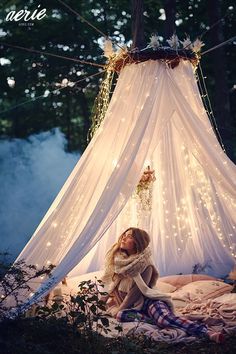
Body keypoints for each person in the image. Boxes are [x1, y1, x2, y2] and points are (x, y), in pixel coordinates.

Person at [101, 227, 224, 343]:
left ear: (138, 242)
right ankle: (154, 320)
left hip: (150, 302)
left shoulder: (145, 265)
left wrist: (121, 307)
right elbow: (110, 284)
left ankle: (206, 331)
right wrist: (101, 303)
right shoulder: (118, 264)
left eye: (129, 237)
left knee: (163, 319)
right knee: (122, 315)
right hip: (135, 308)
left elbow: (135, 292)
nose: (123, 238)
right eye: (124, 235)